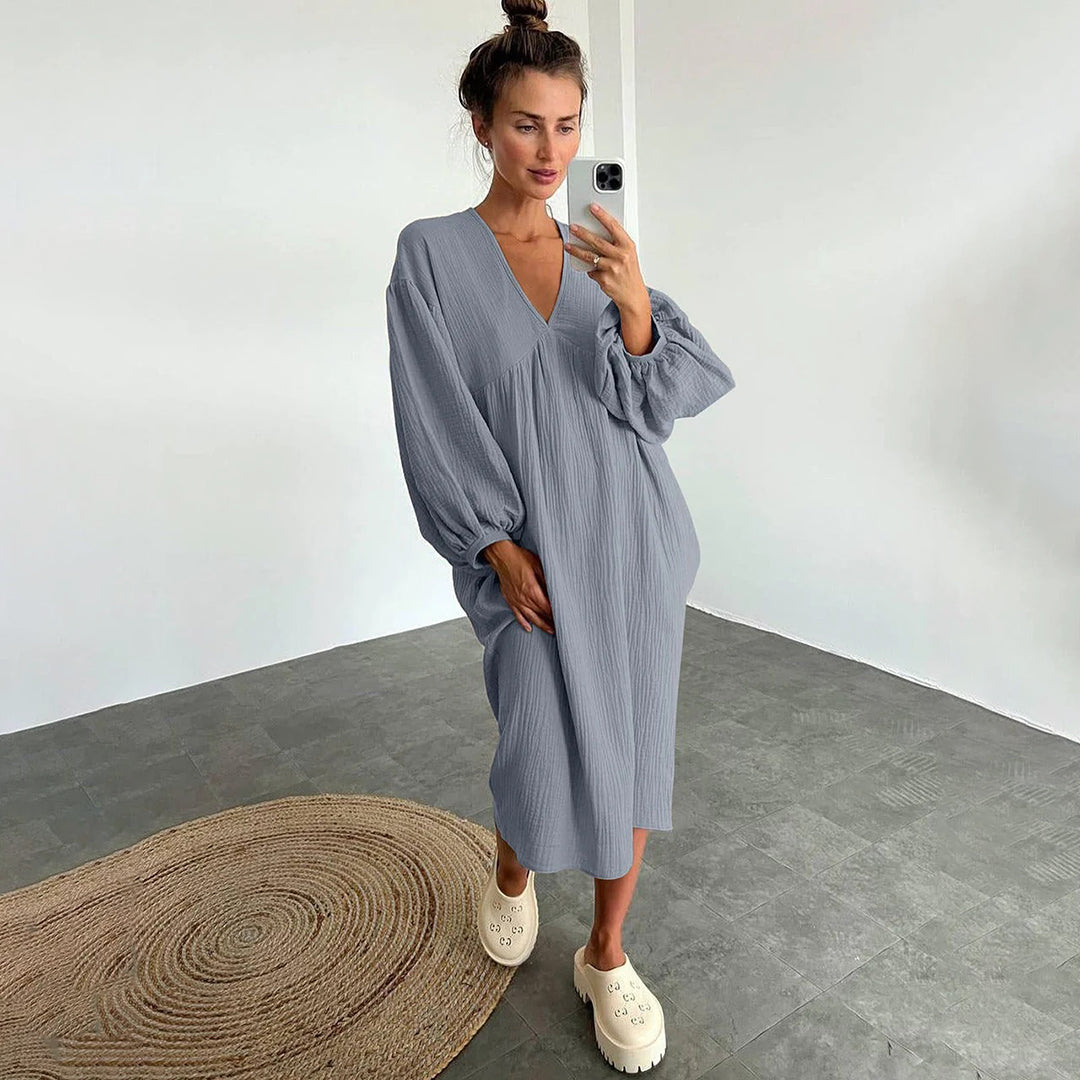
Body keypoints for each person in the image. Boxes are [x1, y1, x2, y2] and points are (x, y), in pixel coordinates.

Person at [386, 0, 735, 1070]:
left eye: (570, 126)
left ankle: (608, 954)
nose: (551, 150)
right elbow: (433, 411)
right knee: (535, 742)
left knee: (632, 747)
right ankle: (513, 868)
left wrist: (633, 306)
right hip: (530, 554)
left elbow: (657, 403)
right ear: (483, 124)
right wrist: (495, 545)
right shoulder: (433, 256)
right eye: (527, 124)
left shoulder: (598, 249)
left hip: (631, 541)